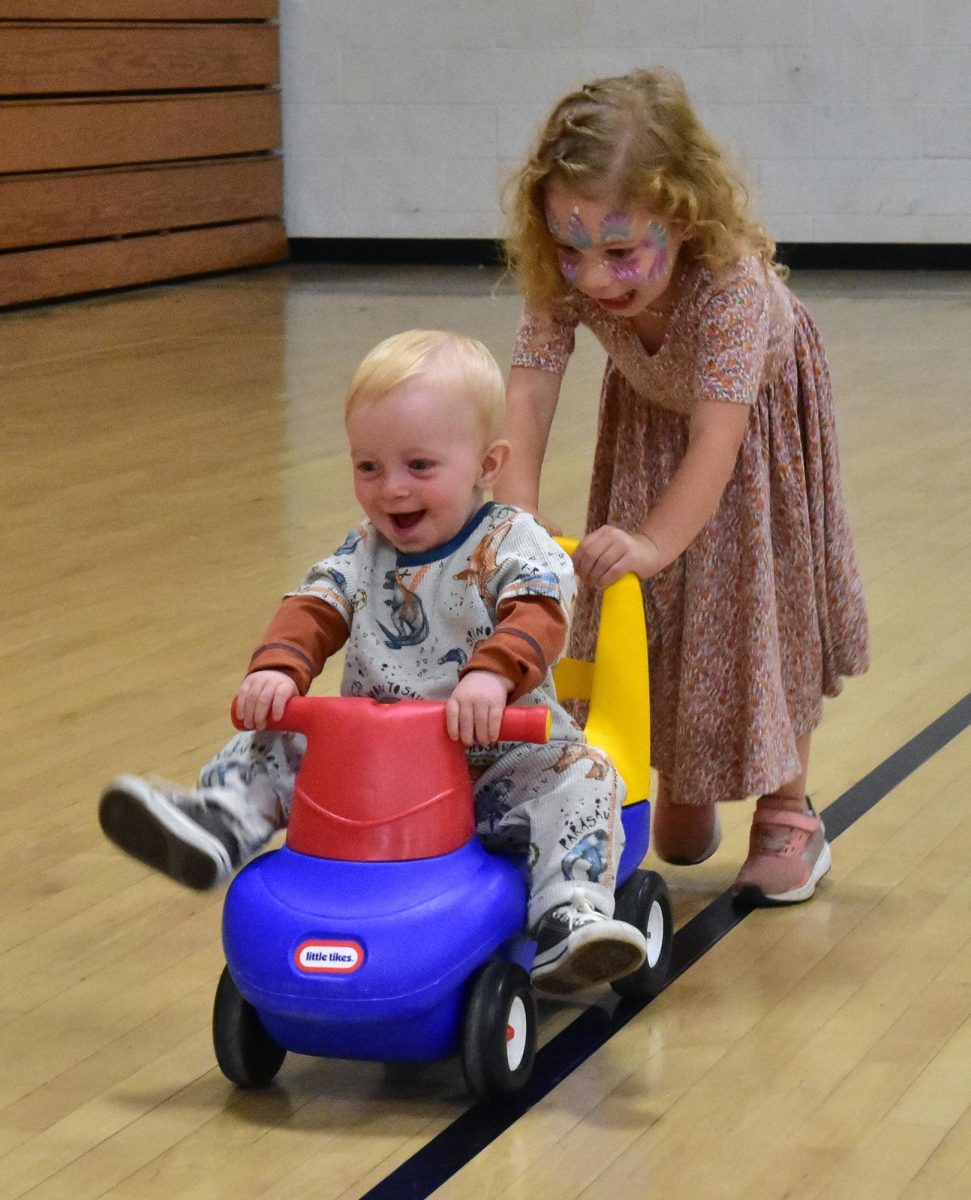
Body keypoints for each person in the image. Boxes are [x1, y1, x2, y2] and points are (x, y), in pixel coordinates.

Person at [99, 329, 646, 994]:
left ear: (486, 463)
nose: (391, 490)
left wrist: (491, 674)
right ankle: (224, 819)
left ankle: (569, 916)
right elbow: (313, 604)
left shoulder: (512, 543)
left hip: (497, 759)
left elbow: (539, 609)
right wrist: (277, 670)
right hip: (375, 766)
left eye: (419, 466)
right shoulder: (363, 552)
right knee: (273, 738)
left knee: (584, 775)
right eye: (368, 467)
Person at [496, 67, 870, 906]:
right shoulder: (574, 275)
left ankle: (785, 810)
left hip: (748, 430)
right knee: (649, 609)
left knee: (758, 614)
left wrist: (658, 539)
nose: (593, 279)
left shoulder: (730, 288)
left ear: (683, 215)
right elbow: (529, 381)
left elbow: (718, 435)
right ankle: (684, 776)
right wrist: (515, 507)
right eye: (571, 249)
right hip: (649, 423)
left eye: (622, 252)